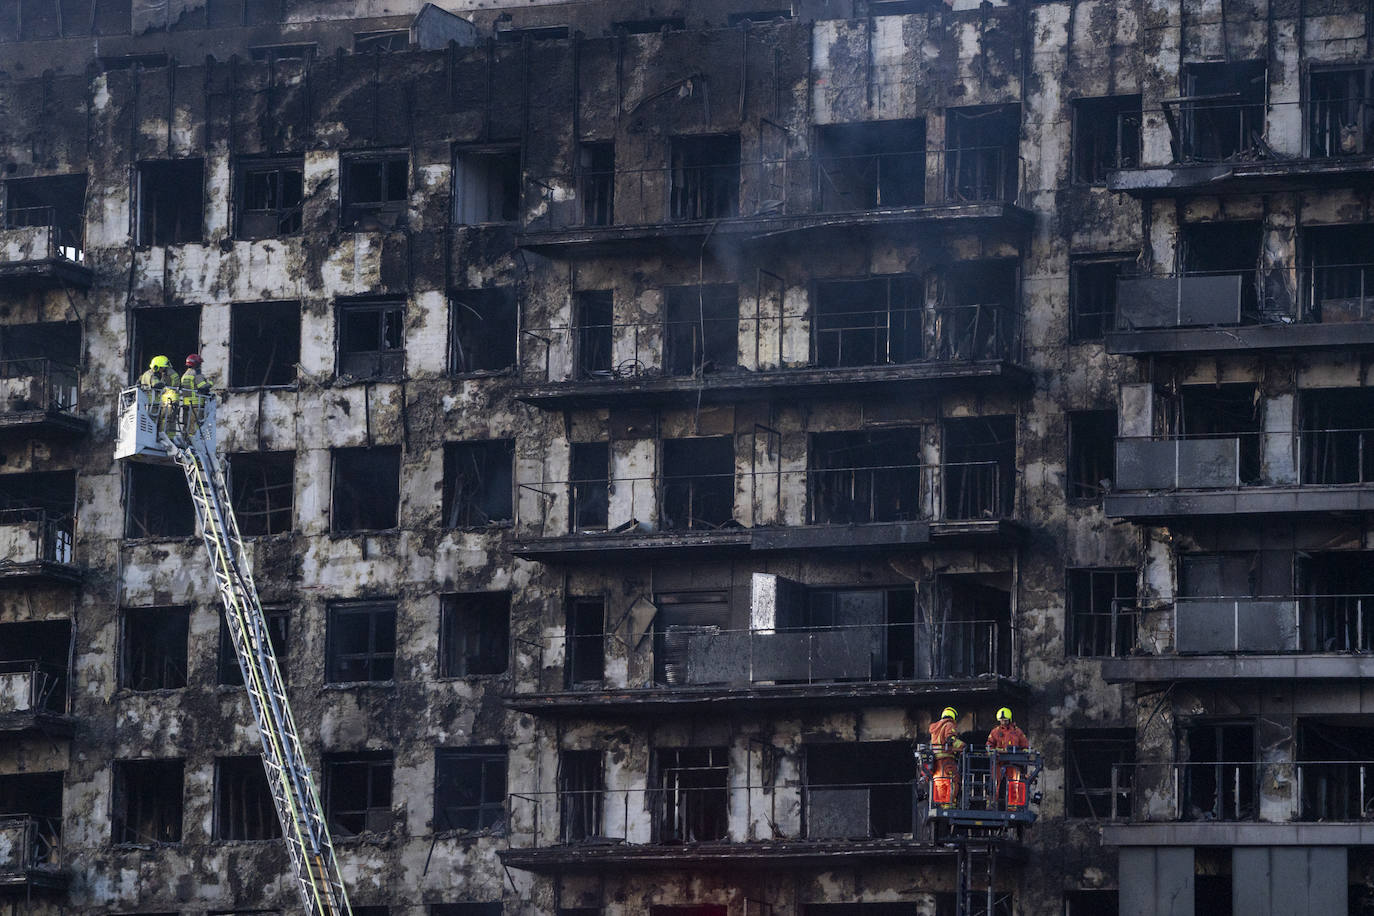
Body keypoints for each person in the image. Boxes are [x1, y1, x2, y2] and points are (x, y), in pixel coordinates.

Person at [987, 706, 1029, 808]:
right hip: (998, 761)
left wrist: (1022, 755)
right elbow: (989, 745)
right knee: (994, 781)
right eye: (1001, 720)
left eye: (1005, 720)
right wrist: (992, 752)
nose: (1003, 723)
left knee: (1013, 782)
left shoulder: (1017, 732)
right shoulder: (995, 732)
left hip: (1013, 762)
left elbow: (1025, 746)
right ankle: (992, 803)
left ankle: (1012, 805)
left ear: (1009, 719)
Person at [929, 706, 966, 808]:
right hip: (947, 760)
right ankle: (949, 804)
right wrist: (963, 746)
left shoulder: (935, 728)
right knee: (953, 781)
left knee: (940, 782)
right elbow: (950, 739)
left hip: (936, 762)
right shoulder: (949, 724)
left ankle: (943, 804)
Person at [178, 353, 214, 434]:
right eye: (200, 364)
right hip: (196, 405)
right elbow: (202, 386)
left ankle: (186, 441)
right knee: (196, 425)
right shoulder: (197, 374)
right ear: (196, 364)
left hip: (186, 404)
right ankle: (194, 443)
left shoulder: (184, 375)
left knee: (187, 424)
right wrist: (211, 383)